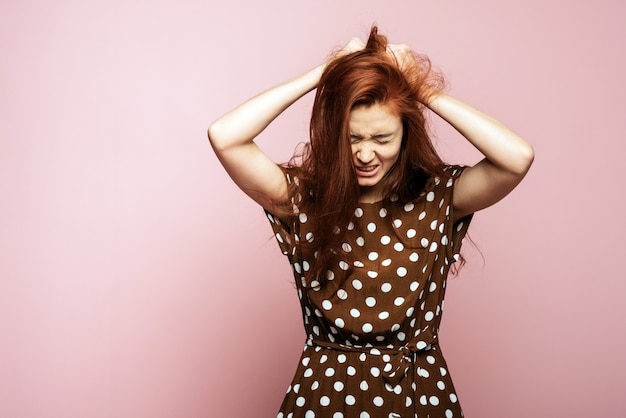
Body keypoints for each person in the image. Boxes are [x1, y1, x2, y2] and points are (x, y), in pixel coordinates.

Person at [208, 26, 533, 418]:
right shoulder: (304, 199)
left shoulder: (438, 196)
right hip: (324, 393)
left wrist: (421, 88)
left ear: (406, 134)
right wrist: (324, 72)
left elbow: (517, 157)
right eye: (352, 138)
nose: (364, 154)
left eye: (382, 138)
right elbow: (225, 136)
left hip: (416, 392)